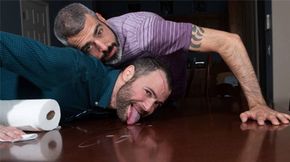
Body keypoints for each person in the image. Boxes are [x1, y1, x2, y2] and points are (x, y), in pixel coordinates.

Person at [53, 3, 290, 126]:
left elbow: (229, 42)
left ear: (101, 17)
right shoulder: (84, 59)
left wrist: (258, 104)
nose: (102, 47)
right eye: (88, 47)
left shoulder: (148, 32)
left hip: (172, 102)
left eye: (99, 31)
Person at [0, 32, 172, 141]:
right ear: (128, 73)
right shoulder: (72, 66)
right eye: (148, 92)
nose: (149, 107)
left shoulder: (116, 104)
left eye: (157, 104)